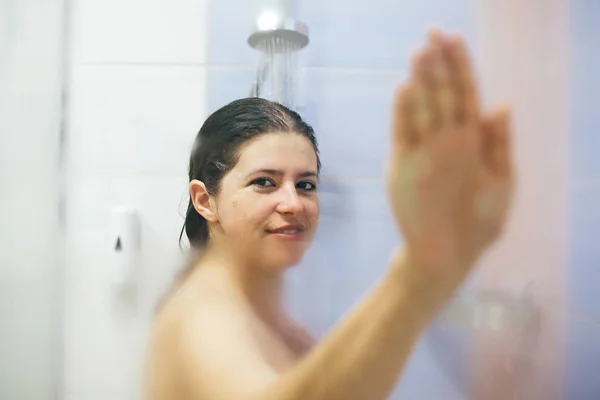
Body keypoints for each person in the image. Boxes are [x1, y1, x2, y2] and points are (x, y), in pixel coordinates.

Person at [143, 28, 514, 400]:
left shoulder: (265, 315)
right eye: (264, 182)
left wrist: (436, 266)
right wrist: (421, 272)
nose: (293, 203)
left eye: (305, 184)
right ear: (205, 201)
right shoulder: (203, 315)